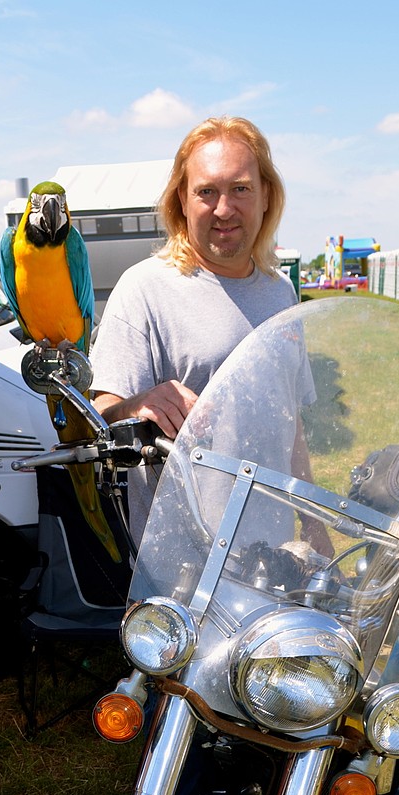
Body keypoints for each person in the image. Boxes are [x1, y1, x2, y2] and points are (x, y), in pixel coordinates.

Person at [90, 115, 309, 542]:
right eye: (206, 191)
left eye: (240, 189)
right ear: (181, 203)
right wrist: (137, 405)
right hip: (181, 565)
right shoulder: (145, 289)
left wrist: (314, 527)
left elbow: (293, 422)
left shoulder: (281, 293)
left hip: (273, 554)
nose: (224, 209)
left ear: (267, 196)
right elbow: (100, 419)